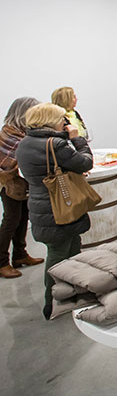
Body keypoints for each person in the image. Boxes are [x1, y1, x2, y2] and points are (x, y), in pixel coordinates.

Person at [16, 103, 93, 319]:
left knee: (64, 249)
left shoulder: (25, 143)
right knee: (61, 254)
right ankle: (54, 302)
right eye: (62, 119)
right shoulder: (56, 144)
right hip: (61, 207)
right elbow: (85, 162)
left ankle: (67, 295)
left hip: (42, 206)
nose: (65, 123)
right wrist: (77, 138)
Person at [0, 97, 43, 279]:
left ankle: (20, 255)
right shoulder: (10, 134)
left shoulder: (22, 133)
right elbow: (12, 161)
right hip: (9, 184)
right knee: (11, 220)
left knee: (23, 217)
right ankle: (1, 262)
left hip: (21, 184)